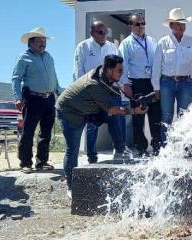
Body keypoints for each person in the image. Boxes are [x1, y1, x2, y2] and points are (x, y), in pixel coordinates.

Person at [57, 55, 146, 198]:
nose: (122, 73)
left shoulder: (104, 75)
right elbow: (111, 109)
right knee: (72, 149)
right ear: (110, 71)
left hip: (87, 108)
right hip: (70, 112)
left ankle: (119, 151)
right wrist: (134, 111)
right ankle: (71, 186)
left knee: (113, 119)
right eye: (120, 70)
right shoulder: (94, 84)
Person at [73, 19, 126, 162]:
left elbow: (119, 68)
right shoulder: (83, 47)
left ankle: (120, 151)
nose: (103, 35)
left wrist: (121, 84)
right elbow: (78, 71)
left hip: (111, 89)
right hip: (92, 90)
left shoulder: (112, 47)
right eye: (100, 32)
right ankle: (91, 156)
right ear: (92, 32)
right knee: (92, 124)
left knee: (117, 118)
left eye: (105, 32)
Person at [12, 27, 63, 173]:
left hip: (49, 97)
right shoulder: (24, 57)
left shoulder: (48, 57)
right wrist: (17, 98)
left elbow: (54, 76)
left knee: (46, 131)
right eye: (40, 41)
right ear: (31, 42)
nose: (43, 43)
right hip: (32, 97)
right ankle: (26, 163)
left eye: (44, 40)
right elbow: (16, 78)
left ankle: (42, 161)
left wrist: (59, 92)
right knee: (28, 131)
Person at [152, 8, 192, 145]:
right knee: (166, 116)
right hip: (166, 83)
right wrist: (156, 87)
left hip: (185, 83)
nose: (181, 26)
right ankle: (165, 147)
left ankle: (182, 148)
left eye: (183, 23)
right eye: (177, 23)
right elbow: (156, 66)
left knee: (184, 117)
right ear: (171, 25)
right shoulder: (163, 42)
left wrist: (191, 76)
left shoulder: (191, 41)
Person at [118, 13, 161, 156]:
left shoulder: (152, 41)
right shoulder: (126, 43)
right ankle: (141, 148)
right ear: (130, 25)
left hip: (152, 83)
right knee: (138, 118)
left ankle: (157, 147)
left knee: (156, 116)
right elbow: (122, 65)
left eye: (143, 23)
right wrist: (126, 85)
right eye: (137, 24)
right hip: (137, 83)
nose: (141, 26)